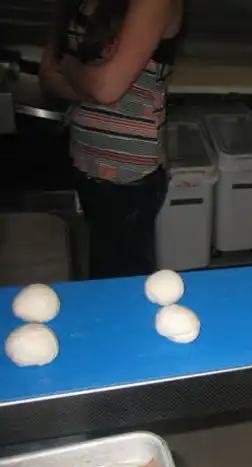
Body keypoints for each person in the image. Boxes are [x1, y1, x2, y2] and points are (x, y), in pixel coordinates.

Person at [39, 0, 183, 279]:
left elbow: (105, 89)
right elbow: (48, 76)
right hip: (83, 159)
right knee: (99, 272)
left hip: (129, 175)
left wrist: (70, 65)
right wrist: (92, 83)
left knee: (123, 282)